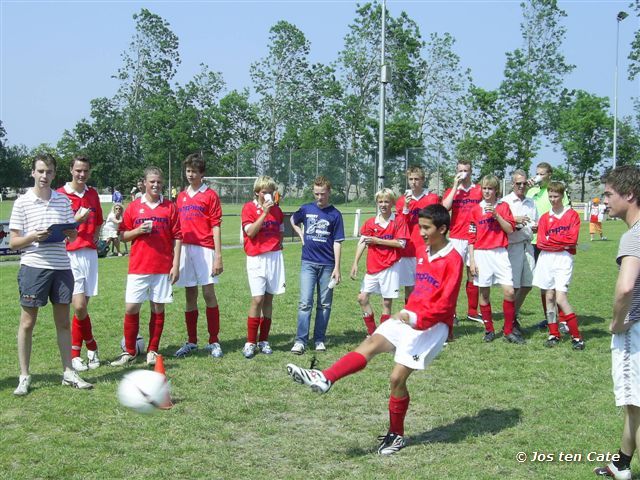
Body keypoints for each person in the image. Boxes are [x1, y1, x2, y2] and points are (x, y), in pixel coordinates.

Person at [287, 204, 463, 455]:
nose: (421, 232)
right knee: (370, 343)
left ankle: (396, 435)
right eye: (420, 227)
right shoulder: (424, 251)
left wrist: (415, 316)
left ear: (442, 229)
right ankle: (325, 378)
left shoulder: (453, 259)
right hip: (408, 318)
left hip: (431, 328)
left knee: (396, 379)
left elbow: (446, 303)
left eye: (427, 228)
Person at [9, 153, 93, 395]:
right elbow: (14, 242)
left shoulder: (62, 201)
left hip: (61, 267)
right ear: (33, 173)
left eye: (49, 172)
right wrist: (33, 237)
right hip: (33, 266)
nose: (44, 176)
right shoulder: (22, 202)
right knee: (27, 322)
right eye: (40, 171)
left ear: (55, 174)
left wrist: (71, 233)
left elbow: (72, 234)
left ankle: (68, 371)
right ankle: (24, 375)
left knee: (63, 323)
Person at [594, 165, 640, 480]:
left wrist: (617, 322)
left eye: (609, 194)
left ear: (629, 194)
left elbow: (625, 287)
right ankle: (622, 465)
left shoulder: (632, 236)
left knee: (636, 406)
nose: (604, 200)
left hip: (634, 332)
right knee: (633, 406)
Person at [111, 166, 182, 367]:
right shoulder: (134, 207)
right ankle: (130, 352)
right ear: (144, 183)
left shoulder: (170, 207)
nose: (156, 185)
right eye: (152, 182)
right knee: (132, 307)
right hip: (138, 266)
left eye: (159, 182)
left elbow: (178, 236)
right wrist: (138, 231)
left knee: (157, 308)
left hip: (162, 267)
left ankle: (152, 349)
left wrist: (176, 264)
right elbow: (122, 235)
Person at [174, 153, 225, 359]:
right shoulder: (181, 196)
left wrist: (218, 255)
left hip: (205, 249)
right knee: (190, 295)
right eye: (188, 171)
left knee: (209, 294)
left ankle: (214, 340)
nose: (190, 175)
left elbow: (216, 226)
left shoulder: (210, 195)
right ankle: (192, 341)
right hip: (186, 249)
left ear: (202, 173)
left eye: (194, 171)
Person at [57, 155, 104, 372]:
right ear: (71, 170)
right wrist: (75, 222)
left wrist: (95, 233)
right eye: (78, 170)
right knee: (79, 306)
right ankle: (89, 347)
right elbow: (55, 227)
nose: (82, 174)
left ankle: (80, 352)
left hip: (89, 255)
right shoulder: (60, 195)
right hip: (69, 255)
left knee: (82, 307)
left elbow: (99, 221)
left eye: (85, 170)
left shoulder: (92, 194)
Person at [290, 176, 345, 354]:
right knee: (305, 303)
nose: (319, 197)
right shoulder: (306, 209)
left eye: (322, 194)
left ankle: (319, 339)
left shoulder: (335, 215)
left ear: (329, 192)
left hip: (327, 265)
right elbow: (292, 219)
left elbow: (337, 242)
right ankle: (300, 340)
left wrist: (337, 267)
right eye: (316, 194)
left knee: (324, 304)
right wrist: (299, 232)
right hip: (308, 263)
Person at [531, 181, 584, 350]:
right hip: (546, 258)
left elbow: (572, 240)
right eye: (550, 196)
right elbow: (540, 243)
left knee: (561, 298)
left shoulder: (572, 215)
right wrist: (558, 242)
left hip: (563, 259)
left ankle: (577, 337)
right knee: (549, 297)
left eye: (556, 196)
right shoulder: (545, 217)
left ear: (563, 196)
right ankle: (554, 333)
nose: (553, 199)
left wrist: (551, 241)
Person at [468, 175, 520, 343]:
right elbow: (471, 237)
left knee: (509, 292)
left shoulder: (503, 207)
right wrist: (472, 261)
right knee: (484, 292)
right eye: (484, 188)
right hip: (481, 254)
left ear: (496, 190)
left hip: (500, 253)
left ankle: (507, 331)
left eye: (490, 188)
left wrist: (497, 215)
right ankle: (489, 329)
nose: (487, 192)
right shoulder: (476, 210)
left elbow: (510, 229)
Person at [351, 188, 409, 335]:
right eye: (380, 201)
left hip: (391, 266)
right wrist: (355, 263)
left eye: (386, 201)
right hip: (373, 267)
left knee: (387, 302)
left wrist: (378, 241)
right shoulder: (371, 223)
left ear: (392, 203)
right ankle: (372, 331)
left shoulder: (399, 221)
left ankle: (382, 334)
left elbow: (401, 243)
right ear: (377, 203)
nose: (383, 204)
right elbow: (362, 242)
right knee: (362, 298)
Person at [240, 175, 285, 359]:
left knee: (268, 299)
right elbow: (250, 232)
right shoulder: (249, 208)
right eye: (264, 192)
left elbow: (281, 231)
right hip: (256, 257)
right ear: (257, 192)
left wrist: (277, 245)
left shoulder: (278, 211)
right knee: (257, 299)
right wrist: (264, 213)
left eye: (270, 192)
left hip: (274, 257)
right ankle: (250, 342)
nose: (267, 195)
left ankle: (264, 340)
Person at [526, 162, 570, 330]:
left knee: (557, 284)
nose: (539, 176)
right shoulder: (531, 192)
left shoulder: (556, 192)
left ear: (550, 174)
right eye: (537, 173)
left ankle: (564, 319)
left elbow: (565, 216)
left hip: (554, 244)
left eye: (542, 174)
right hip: (535, 242)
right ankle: (550, 318)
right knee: (544, 285)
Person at [442, 158, 483, 324]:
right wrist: (454, 187)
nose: (463, 173)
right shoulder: (453, 190)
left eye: (466, 170)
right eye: (460, 170)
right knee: (454, 276)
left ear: (471, 171)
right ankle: (450, 312)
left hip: (475, 237)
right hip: (456, 237)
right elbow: (444, 207)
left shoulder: (479, 190)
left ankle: (472, 311)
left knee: (473, 273)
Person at [395, 166, 440, 303]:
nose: (414, 182)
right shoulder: (402, 200)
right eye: (411, 179)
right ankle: (411, 316)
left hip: (427, 248)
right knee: (409, 287)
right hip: (409, 249)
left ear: (423, 180)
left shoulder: (432, 198)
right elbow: (400, 225)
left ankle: (427, 316)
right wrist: (406, 209)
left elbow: (438, 222)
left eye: (417, 179)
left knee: (428, 284)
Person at [501, 169, 538, 330]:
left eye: (524, 183)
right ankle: (510, 322)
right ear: (512, 184)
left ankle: (513, 315)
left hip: (528, 245)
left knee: (527, 284)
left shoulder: (531, 202)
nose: (522, 186)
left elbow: (534, 221)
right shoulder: (506, 202)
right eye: (518, 183)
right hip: (513, 246)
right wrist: (515, 220)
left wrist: (535, 227)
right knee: (514, 286)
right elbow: (500, 222)